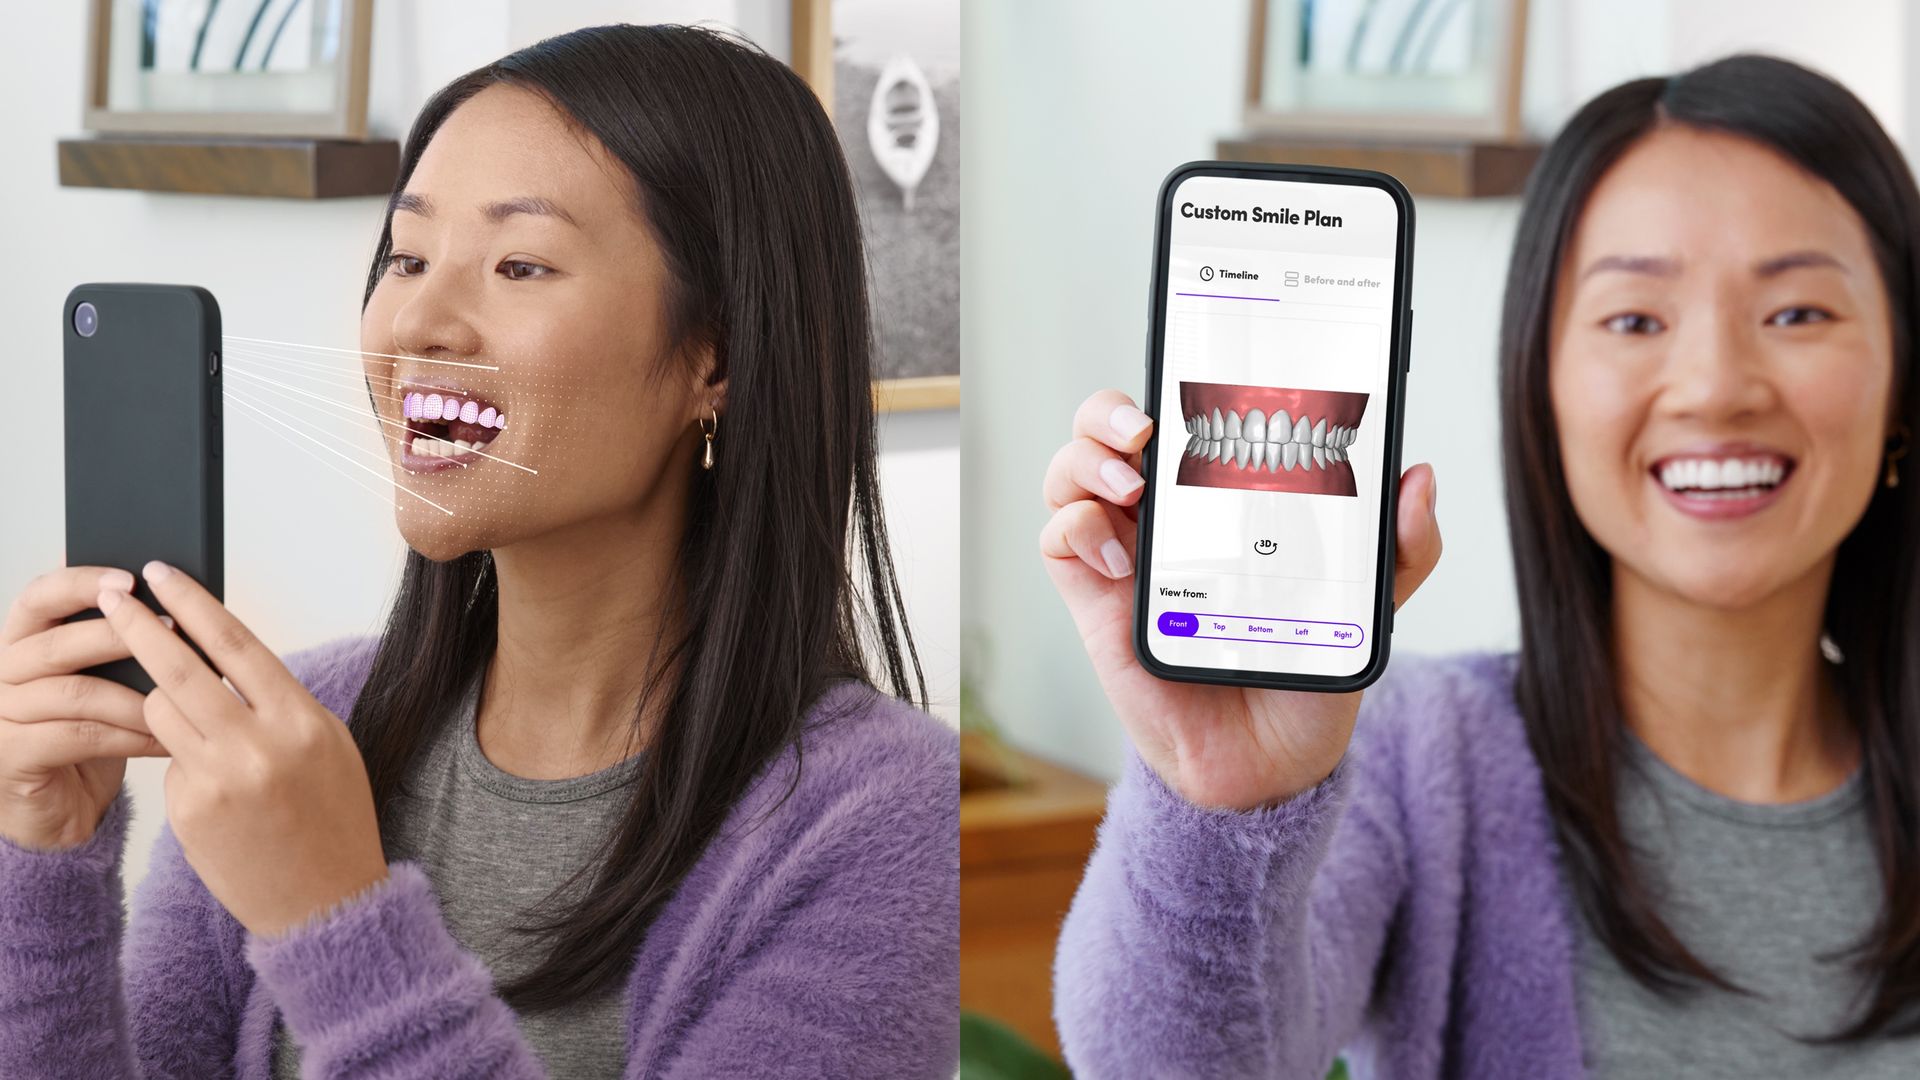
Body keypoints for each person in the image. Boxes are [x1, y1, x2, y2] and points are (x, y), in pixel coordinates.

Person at [0, 24, 956, 1079]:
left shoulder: (881, 823)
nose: (419, 321)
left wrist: (334, 918)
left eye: (520, 263)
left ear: (715, 354)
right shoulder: (296, 734)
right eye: (406, 256)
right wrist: (43, 866)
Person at [1042, 54, 1920, 1078]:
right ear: (1540, 389)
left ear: (1903, 379)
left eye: (1797, 314)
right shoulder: (1423, 763)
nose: (1716, 386)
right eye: (1635, 320)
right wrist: (1216, 804)